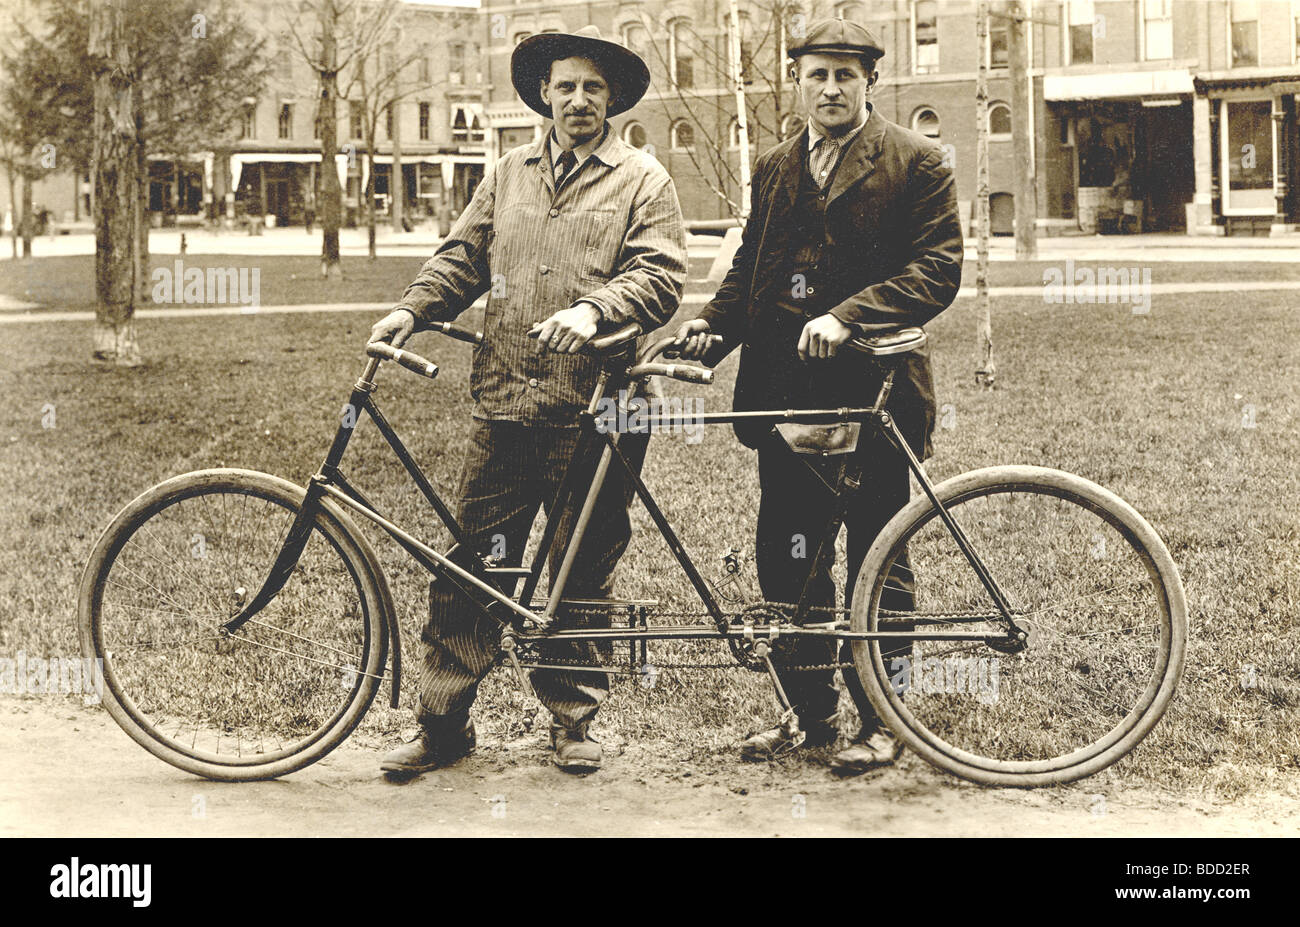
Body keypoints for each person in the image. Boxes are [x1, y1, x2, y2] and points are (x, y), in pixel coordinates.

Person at [369, 26, 687, 776]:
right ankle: (443, 725)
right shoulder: (506, 172)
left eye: (593, 89)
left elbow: (663, 275)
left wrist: (597, 311)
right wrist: (412, 309)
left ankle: (573, 720)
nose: (579, 100)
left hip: (605, 407)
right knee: (473, 563)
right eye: (566, 86)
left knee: (583, 567)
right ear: (543, 93)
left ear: (611, 101)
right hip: (507, 398)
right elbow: (463, 256)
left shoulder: (644, 179)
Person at [673, 18, 963, 774]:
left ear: (869, 81)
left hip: (875, 396)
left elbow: (938, 270)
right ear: (797, 80)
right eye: (816, 74)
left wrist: (847, 315)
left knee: (879, 560)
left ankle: (885, 721)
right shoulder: (773, 166)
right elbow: (752, 269)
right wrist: (710, 328)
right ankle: (810, 715)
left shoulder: (917, 161)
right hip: (786, 397)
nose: (829, 88)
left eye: (845, 74)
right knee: (789, 562)